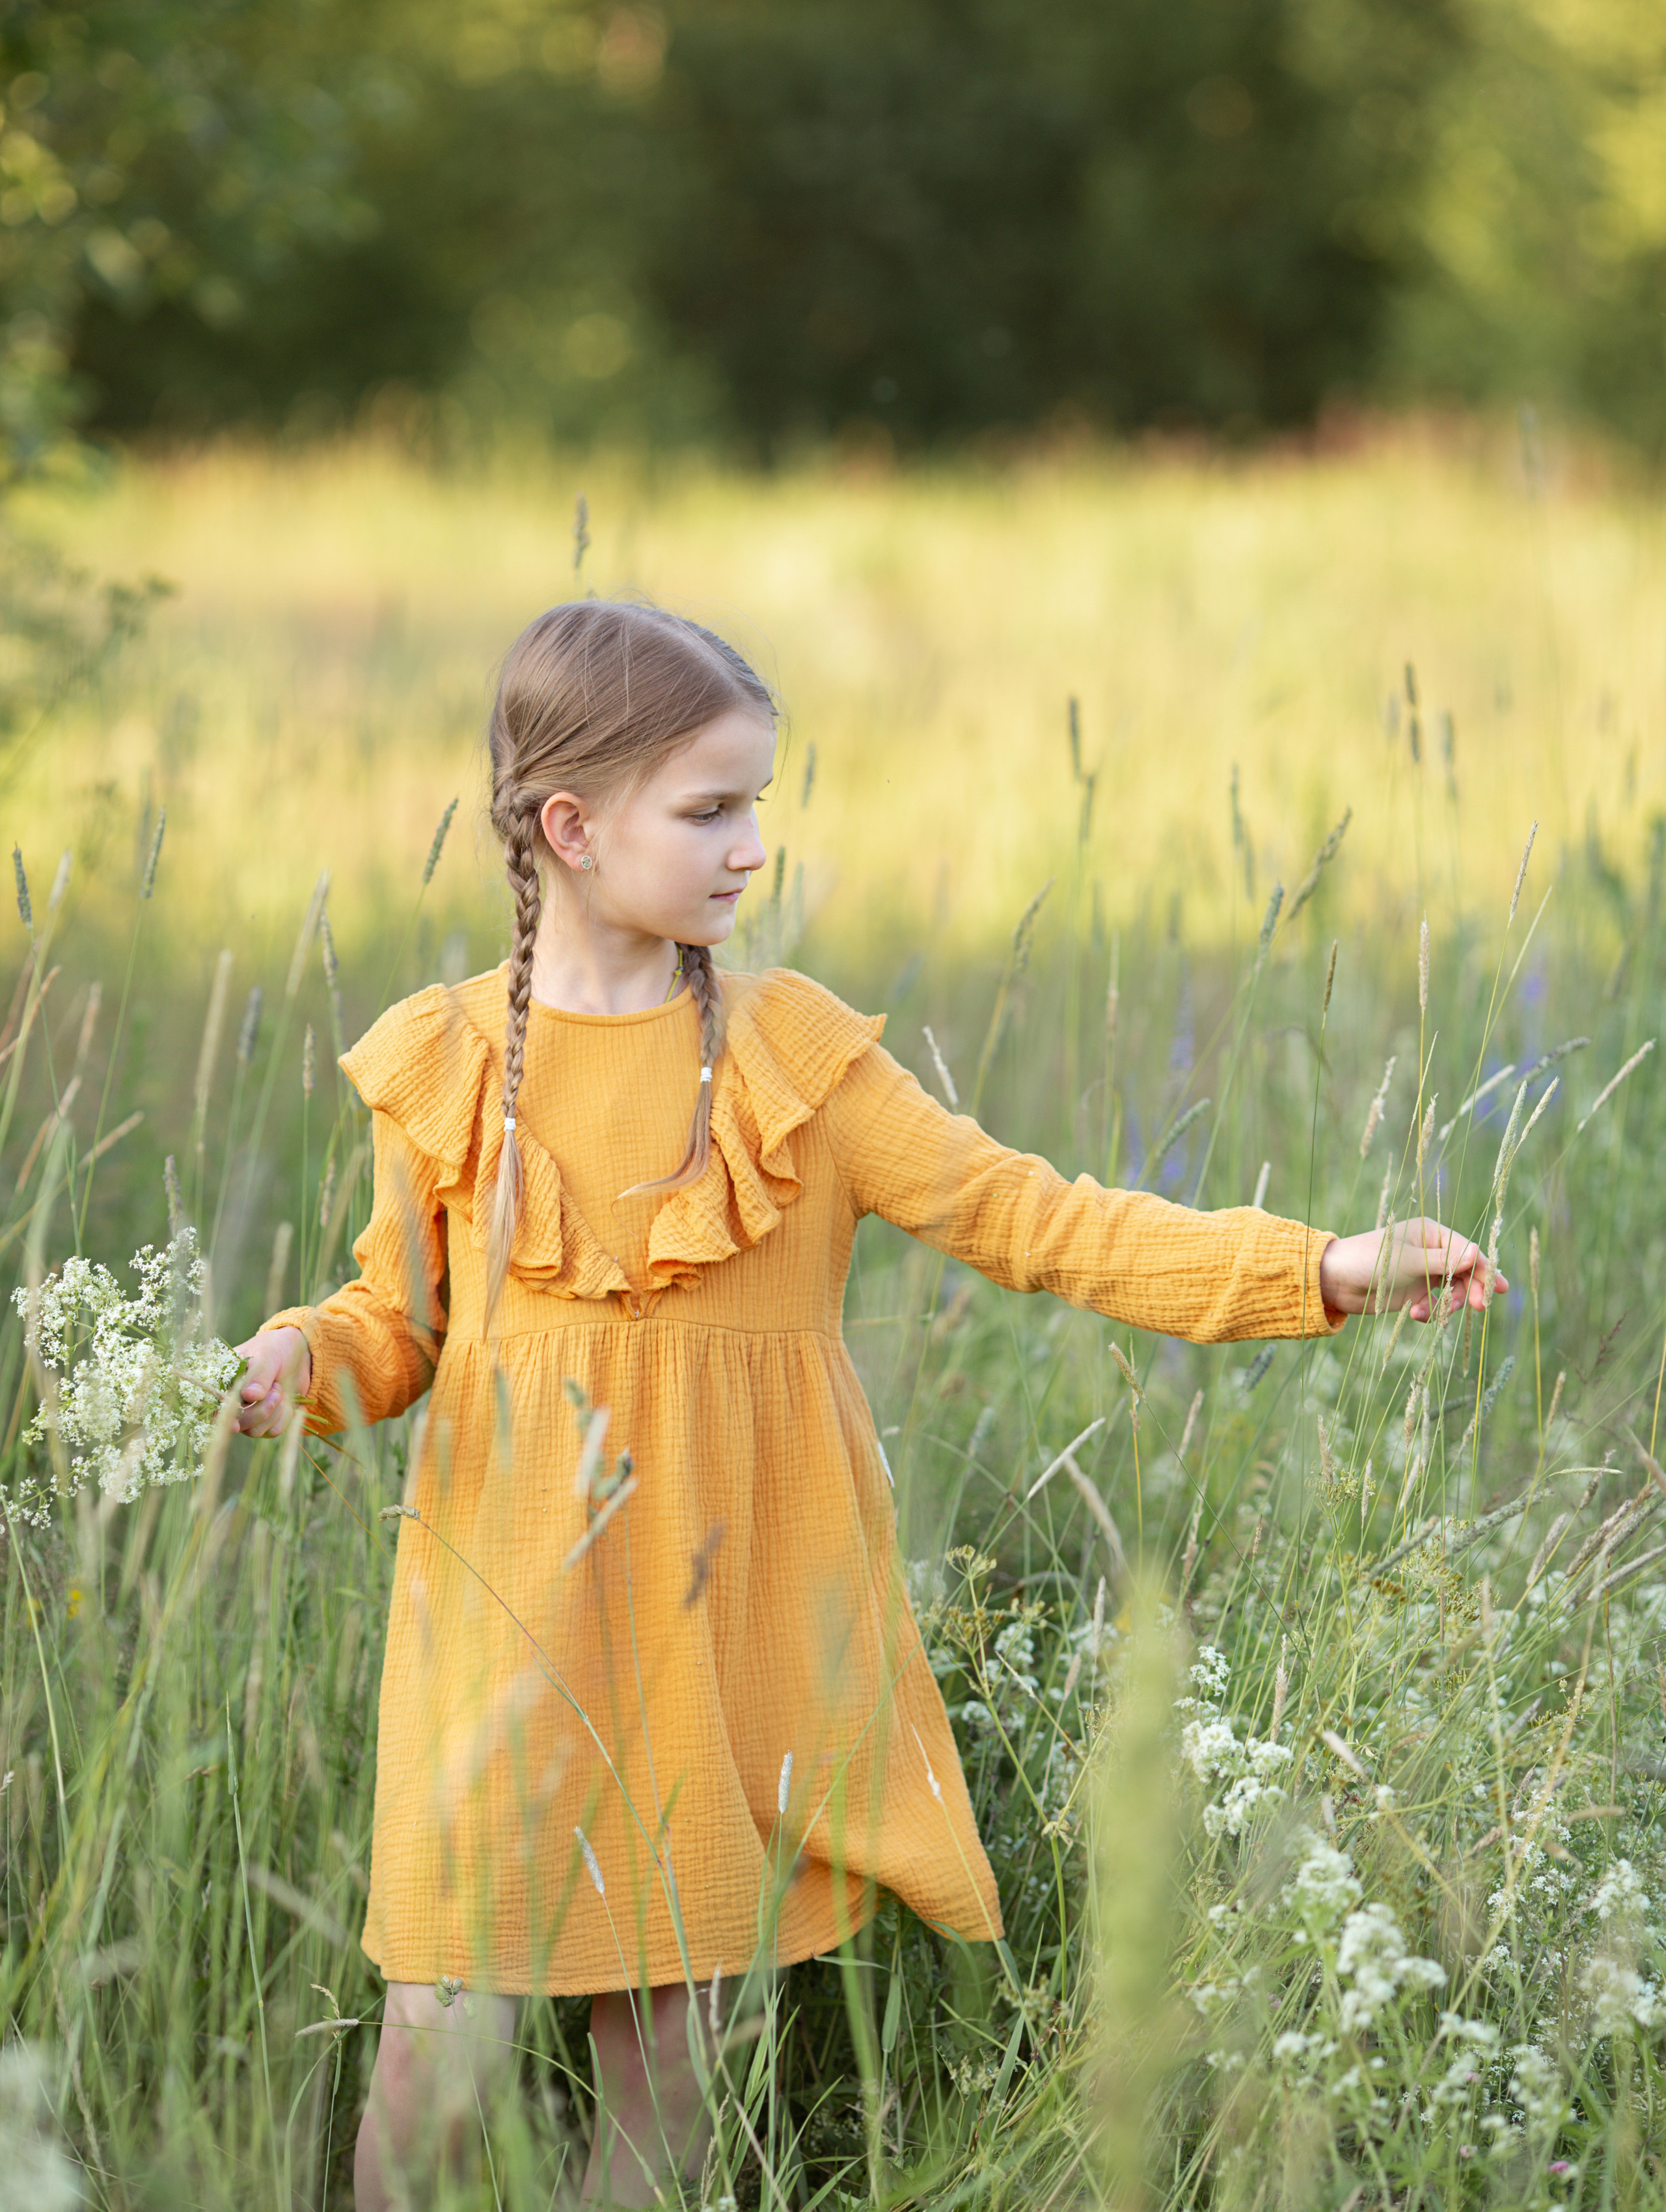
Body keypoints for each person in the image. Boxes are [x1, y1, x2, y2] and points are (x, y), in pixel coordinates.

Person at [234, 599, 1502, 2208]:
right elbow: (394, 1320)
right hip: (504, 1623)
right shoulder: (447, 1064)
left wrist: (1316, 1265)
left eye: (758, 802)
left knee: (670, 2043)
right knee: (437, 2035)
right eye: (710, 807)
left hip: (723, 1633)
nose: (751, 845)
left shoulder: (795, 1059)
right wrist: (300, 1360)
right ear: (569, 823)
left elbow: (1037, 1218)